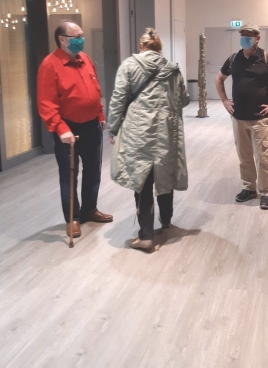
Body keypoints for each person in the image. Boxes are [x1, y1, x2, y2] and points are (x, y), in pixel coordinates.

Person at [107, 28, 189, 253]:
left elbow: (118, 99)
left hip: (138, 131)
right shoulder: (173, 69)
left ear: (141, 46)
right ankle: (166, 222)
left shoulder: (129, 66)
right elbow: (183, 100)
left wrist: (112, 128)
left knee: (142, 178)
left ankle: (145, 236)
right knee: (165, 174)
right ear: (159, 48)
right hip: (166, 131)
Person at [37, 21, 113, 239]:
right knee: (69, 174)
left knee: (93, 170)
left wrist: (100, 114)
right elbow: (46, 103)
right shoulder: (50, 65)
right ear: (62, 40)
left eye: (82, 35)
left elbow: (95, 89)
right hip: (68, 127)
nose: (81, 39)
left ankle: (90, 209)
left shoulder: (84, 59)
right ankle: (73, 218)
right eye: (76, 36)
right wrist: (60, 128)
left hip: (91, 125)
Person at [215, 23, 268, 210]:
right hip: (238, 118)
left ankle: (266, 192)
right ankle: (249, 188)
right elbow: (219, 78)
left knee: (262, 157)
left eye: (249, 35)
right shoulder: (234, 59)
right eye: (243, 35)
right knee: (244, 157)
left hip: (259, 118)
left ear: (257, 38)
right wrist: (224, 100)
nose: (245, 38)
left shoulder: (267, 58)